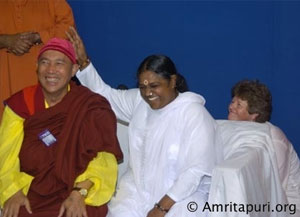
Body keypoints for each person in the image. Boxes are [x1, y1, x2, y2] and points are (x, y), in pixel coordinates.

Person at [67, 27, 221, 217]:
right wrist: (83, 62)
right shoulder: (140, 102)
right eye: (142, 87)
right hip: (137, 192)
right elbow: (105, 95)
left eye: (155, 86)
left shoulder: (194, 113)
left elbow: (197, 170)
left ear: (172, 81)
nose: (148, 93)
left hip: (182, 197)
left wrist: (162, 207)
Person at [0, 38, 123, 217]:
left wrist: (79, 192)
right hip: (31, 187)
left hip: (79, 188)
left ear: (73, 70)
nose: (51, 70)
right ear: (37, 67)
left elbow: (103, 157)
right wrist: (12, 190)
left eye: (59, 63)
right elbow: (5, 154)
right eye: (45, 62)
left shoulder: (90, 106)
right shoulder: (21, 103)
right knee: (18, 211)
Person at [228, 79, 300, 213]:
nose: (231, 107)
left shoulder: (275, 140)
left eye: (239, 105)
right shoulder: (233, 133)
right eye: (232, 102)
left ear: (254, 115)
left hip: (290, 205)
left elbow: (276, 189)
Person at [0, 0, 75, 116]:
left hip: (44, 89)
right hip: (5, 85)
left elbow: (69, 27)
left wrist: (38, 37)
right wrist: (5, 40)